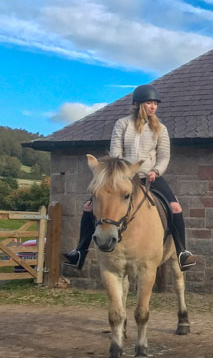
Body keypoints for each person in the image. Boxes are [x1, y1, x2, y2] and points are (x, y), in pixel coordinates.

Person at [63, 84, 196, 271]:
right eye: (149, 102)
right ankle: (80, 251)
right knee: (89, 206)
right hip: (123, 178)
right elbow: (116, 153)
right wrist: (122, 172)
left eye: (155, 103)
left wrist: (156, 171)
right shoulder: (122, 124)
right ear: (138, 104)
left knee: (175, 207)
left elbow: (164, 155)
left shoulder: (161, 129)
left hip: (149, 177)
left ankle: (182, 252)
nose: (153, 106)